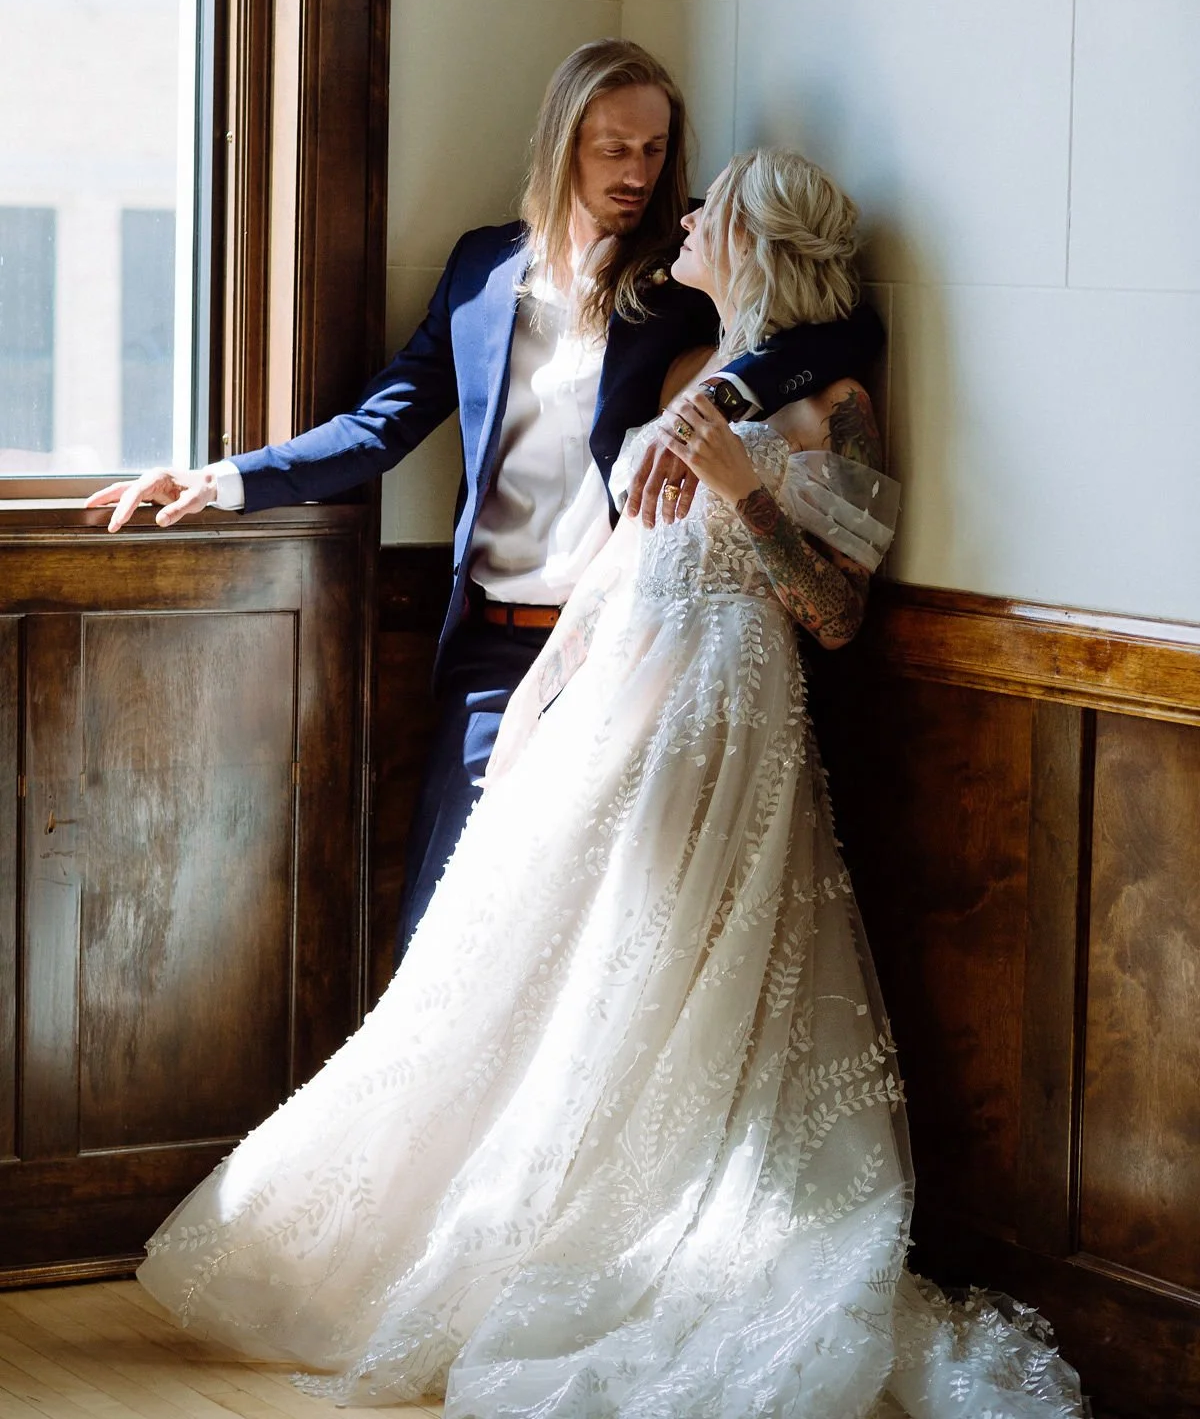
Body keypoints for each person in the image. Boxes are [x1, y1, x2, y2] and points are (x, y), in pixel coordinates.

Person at [136, 148, 1084, 1418]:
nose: (680, 211)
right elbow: (611, 575)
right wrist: (534, 708)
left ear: (751, 241)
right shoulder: (689, 364)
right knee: (527, 978)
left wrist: (745, 487)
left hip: (725, 716)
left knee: (670, 983)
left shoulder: (831, 400)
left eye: (708, 208)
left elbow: (837, 610)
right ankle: (488, 1226)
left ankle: (663, 1240)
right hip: (608, 708)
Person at [87, 39, 884, 949]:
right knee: (448, 921)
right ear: (561, 145)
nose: (638, 172)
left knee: (594, 938)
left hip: (629, 653)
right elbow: (380, 422)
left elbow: (835, 324)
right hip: (493, 651)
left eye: (656, 149)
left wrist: (725, 397)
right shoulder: (481, 271)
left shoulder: (686, 277)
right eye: (612, 147)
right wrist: (224, 479)